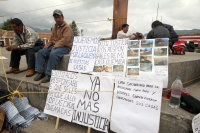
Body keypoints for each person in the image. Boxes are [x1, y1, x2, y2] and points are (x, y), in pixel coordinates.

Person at [34, 9, 73, 83]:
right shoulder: (54, 27)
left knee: (53, 53)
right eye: (55, 17)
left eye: (59, 17)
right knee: (41, 52)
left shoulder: (67, 27)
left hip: (65, 47)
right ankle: (40, 72)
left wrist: (56, 46)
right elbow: (52, 39)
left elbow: (65, 40)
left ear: (62, 17)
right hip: (55, 46)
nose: (57, 19)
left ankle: (49, 74)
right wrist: (48, 44)